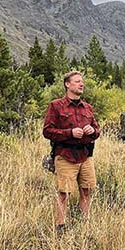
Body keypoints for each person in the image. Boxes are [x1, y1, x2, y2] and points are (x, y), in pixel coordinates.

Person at [42, 71, 100, 231]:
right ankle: (60, 226)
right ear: (67, 84)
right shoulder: (55, 106)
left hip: (86, 156)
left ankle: (85, 224)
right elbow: (47, 131)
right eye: (77, 81)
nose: (81, 84)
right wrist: (70, 133)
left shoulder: (87, 107)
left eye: (82, 82)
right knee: (64, 193)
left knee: (87, 190)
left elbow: (97, 130)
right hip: (66, 155)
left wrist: (92, 131)